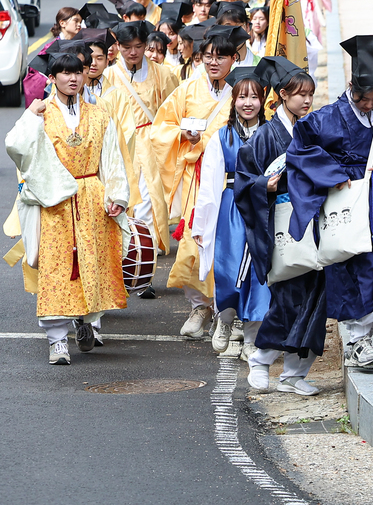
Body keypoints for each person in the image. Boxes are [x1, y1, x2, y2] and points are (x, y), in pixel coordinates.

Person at [288, 35, 373, 372]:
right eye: (363, 98)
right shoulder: (325, 119)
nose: (369, 105)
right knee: (351, 269)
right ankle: (356, 342)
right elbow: (299, 149)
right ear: (351, 87)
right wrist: (332, 173)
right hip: (345, 205)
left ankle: (365, 337)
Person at [6, 41, 130, 364]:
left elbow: (112, 157)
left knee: (93, 260)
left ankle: (89, 321)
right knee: (58, 267)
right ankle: (57, 339)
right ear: (53, 77)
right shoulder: (42, 113)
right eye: (64, 73)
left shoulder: (99, 114)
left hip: (90, 196)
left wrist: (116, 195)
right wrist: (31, 114)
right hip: (56, 202)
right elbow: (15, 146)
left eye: (77, 72)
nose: (73, 79)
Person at [233, 56, 323, 394]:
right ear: (283, 95)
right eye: (300, 94)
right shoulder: (263, 137)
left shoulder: (311, 129)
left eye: (311, 95)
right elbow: (243, 182)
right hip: (281, 227)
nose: (307, 101)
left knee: (317, 299)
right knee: (287, 298)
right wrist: (263, 186)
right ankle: (261, 359)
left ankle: (295, 373)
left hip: (312, 225)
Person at [152, 24, 240, 338]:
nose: (214, 62)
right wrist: (182, 135)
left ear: (235, 58)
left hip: (230, 178)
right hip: (196, 175)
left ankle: (227, 310)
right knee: (194, 240)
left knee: (228, 241)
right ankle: (199, 306)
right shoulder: (188, 89)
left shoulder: (241, 91)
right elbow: (161, 128)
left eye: (221, 56)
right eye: (208, 56)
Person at [190, 68, 267, 358]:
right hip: (232, 207)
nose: (248, 103)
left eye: (254, 97)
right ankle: (225, 319)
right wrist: (202, 224)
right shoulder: (222, 137)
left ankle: (251, 339)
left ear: (263, 100)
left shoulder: (270, 133)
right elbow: (209, 185)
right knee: (229, 269)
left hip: (263, 208)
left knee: (259, 276)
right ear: (233, 101)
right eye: (242, 97)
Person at [100, 20, 179, 257]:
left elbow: (174, 110)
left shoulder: (163, 74)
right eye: (126, 47)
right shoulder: (108, 75)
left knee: (148, 200)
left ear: (146, 45)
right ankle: (123, 255)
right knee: (119, 199)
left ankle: (145, 259)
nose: (132, 52)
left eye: (137, 46)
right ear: (118, 47)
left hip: (151, 144)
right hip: (117, 145)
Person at [23, 6, 83, 107]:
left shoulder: (81, 46)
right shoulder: (52, 47)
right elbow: (34, 73)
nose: (79, 25)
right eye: (76, 21)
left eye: (80, 22)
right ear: (62, 23)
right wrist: (49, 81)